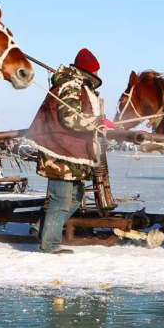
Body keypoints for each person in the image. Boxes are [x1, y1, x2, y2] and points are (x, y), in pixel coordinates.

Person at [26, 48, 106, 254]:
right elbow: (70, 118)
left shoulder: (78, 85)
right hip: (59, 152)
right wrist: (97, 123)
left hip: (71, 152)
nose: (98, 75)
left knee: (75, 197)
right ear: (90, 71)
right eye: (96, 71)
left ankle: (41, 227)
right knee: (60, 199)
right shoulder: (70, 85)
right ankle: (49, 245)